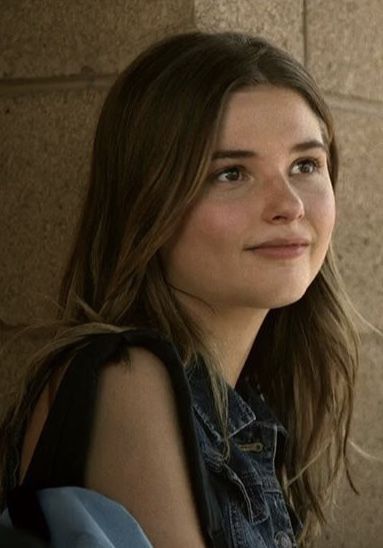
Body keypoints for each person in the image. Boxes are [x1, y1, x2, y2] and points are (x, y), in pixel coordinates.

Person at [0, 31, 365, 547]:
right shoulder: (127, 379)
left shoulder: (248, 407)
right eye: (232, 173)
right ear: (149, 203)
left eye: (305, 165)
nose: (289, 204)